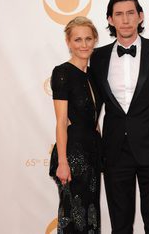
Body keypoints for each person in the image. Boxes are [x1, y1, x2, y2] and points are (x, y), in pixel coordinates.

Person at [89, 0, 149, 234]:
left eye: (131, 13)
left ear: (140, 16)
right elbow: (93, 107)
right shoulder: (98, 57)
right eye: (119, 14)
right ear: (110, 20)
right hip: (113, 152)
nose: (125, 20)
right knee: (120, 225)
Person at [49, 16, 102, 234]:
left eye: (88, 39)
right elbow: (61, 121)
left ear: (95, 40)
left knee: (91, 215)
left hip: (92, 153)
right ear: (68, 42)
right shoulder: (62, 73)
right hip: (72, 155)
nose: (84, 44)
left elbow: (93, 116)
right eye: (78, 39)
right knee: (73, 216)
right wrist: (62, 161)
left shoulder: (92, 75)